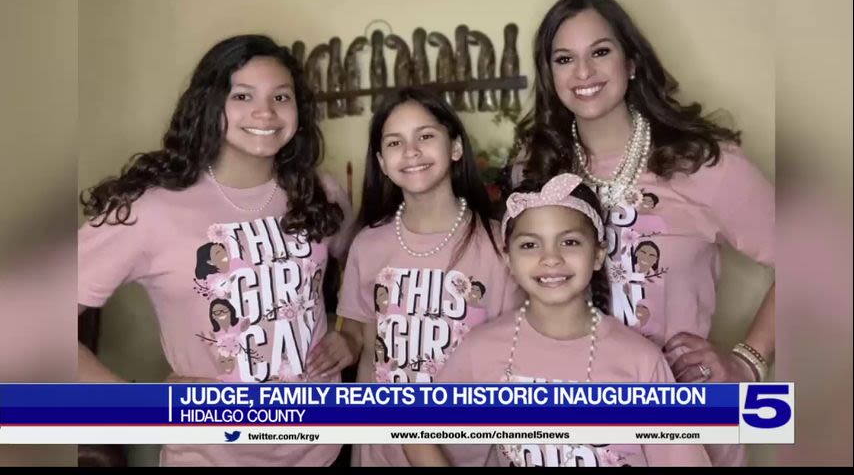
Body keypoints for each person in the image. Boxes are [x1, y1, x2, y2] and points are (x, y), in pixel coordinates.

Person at [511, 0, 774, 465]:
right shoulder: (535, 170)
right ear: (551, 76)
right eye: (564, 59)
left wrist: (748, 361)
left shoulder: (703, 163)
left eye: (600, 52)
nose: (583, 72)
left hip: (685, 423)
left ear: (631, 62)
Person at [77, 34, 354, 466]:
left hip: (326, 448)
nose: (265, 111)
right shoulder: (150, 209)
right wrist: (137, 403)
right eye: (242, 95)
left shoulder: (320, 191)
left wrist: (352, 334)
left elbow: (369, 264)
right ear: (210, 105)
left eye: (281, 96)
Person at [404, 173, 711, 467]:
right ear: (508, 258)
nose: (550, 258)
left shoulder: (641, 362)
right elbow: (418, 434)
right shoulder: (481, 351)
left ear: (598, 254)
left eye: (569, 242)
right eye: (529, 244)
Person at [334, 88, 524, 466]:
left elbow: (513, 362)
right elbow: (359, 339)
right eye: (394, 142)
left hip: (469, 453)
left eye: (425, 136)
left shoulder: (499, 244)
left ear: (455, 148)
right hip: (381, 453)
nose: (411, 151)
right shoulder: (368, 244)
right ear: (382, 162)